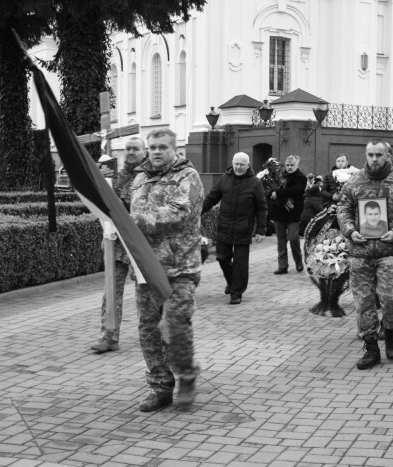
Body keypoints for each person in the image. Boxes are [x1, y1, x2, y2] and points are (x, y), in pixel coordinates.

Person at [130, 128, 204, 412]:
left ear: (176, 149)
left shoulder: (188, 177)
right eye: (153, 147)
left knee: (174, 325)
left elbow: (180, 212)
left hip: (180, 267)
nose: (157, 151)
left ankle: (186, 377)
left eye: (163, 147)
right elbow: (130, 219)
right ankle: (160, 386)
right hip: (147, 267)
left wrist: (136, 219)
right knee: (148, 329)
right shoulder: (139, 178)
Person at [336, 138, 393, 370]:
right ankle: (371, 349)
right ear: (366, 155)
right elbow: (343, 207)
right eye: (371, 154)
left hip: (389, 251)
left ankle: (391, 328)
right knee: (363, 302)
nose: (374, 159)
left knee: (390, 297)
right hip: (360, 252)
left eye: (379, 155)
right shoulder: (355, 181)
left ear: (388, 156)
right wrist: (350, 231)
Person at [91, 137, 148, 353]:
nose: (131, 152)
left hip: (140, 244)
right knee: (111, 292)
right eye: (128, 149)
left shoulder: (148, 176)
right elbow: (105, 201)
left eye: (136, 149)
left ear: (145, 151)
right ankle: (109, 336)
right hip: (116, 244)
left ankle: (151, 335)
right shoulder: (118, 175)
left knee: (145, 294)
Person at [202, 152, 267, 305]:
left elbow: (261, 207)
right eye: (236, 164)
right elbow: (212, 197)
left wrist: (261, 229)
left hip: (243, 228)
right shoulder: (225, 178)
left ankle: (236, 292)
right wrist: (197, 212)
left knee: (240, 263)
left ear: (248, 165)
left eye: (242, 164)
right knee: (222, 257)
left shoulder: (255, 183)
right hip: (224, 226)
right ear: (232, 163)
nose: (238, 167)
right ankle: (232, 282)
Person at [270, 155, 307, 274]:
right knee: (281, 240)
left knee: (293, 238)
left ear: (297, 165)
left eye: (292, 165)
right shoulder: (279, 176)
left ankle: (298, 261)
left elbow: (297, 190)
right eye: (287, 165)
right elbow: (271, 191)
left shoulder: (301, 177)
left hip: (293, 213)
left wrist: (279, 193)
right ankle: (282, 265)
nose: (289, 167)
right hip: (279, 212)